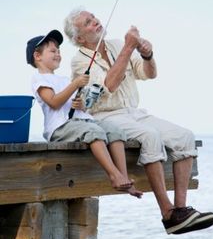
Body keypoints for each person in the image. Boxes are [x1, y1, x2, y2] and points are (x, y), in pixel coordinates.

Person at [64, 8, 213, 235]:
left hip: (133, 112)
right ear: (79, 38)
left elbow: (148, 73)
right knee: (150, 136)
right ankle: (168, 213)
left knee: (185, 136)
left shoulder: (116, 44)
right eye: (88, 22)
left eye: (94, 17)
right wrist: (129, 47)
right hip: (104, 116)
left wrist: (148, 55)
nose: (96, 21)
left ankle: (181, 209)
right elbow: (108, 85)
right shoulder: (79, 62)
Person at [26, 30, 142, 198]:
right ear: (37, 56)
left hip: (80, 122)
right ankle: (113, 175)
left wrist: (80, 104)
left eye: (59, 50)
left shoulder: (64, 80)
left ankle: (123, 176)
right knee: (95, 133)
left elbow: (78, 106)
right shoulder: (39, 79)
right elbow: (54, 102)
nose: (58, 53)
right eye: (53, 51)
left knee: (114, 130)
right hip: (60, 128)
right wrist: (75, 84)